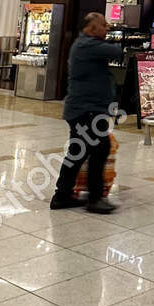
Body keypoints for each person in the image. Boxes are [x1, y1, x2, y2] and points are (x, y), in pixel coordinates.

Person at [53, 12, 123, 213]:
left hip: (84, 109)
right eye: (103, 25)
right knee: (100, 149)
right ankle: (94, 199)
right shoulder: (88, 45)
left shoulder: (85, 45)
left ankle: (62, 196)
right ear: (92, 28)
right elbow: (116, 52)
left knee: (77, 153)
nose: (107, 28)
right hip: (87, 110)